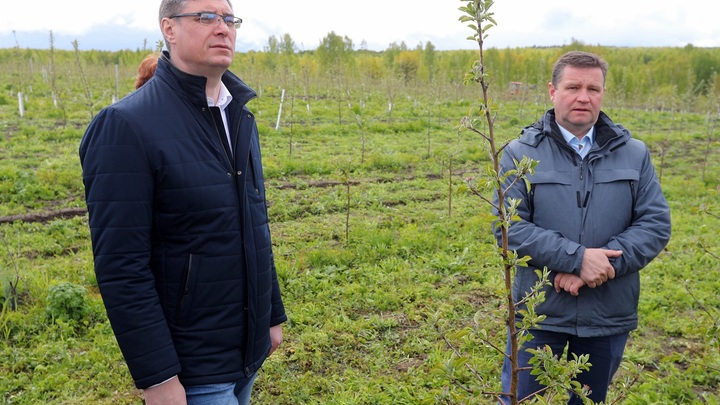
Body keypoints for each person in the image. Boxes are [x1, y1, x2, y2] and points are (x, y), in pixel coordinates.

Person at [79, 0, 286, 404]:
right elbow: (121, 266)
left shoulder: (239, 116)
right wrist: (157, 377)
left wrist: (272, 313)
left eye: (229, 18)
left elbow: (252, 224)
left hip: (247, 350)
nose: (223, 28)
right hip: (193, 367)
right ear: (168, 29)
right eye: (206, 17)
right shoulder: (126, 125)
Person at [495, 51, 671, 404]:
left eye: (593, 88)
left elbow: (655, 224)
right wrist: (575, 258)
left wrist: (598, 267)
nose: (583, 97)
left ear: (603, 93)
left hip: (607, 314)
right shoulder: (519, 153)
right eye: (573, 86)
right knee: (519, 400)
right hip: (540, 311)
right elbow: (509, 228)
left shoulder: (634, 154)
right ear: (552, 91)